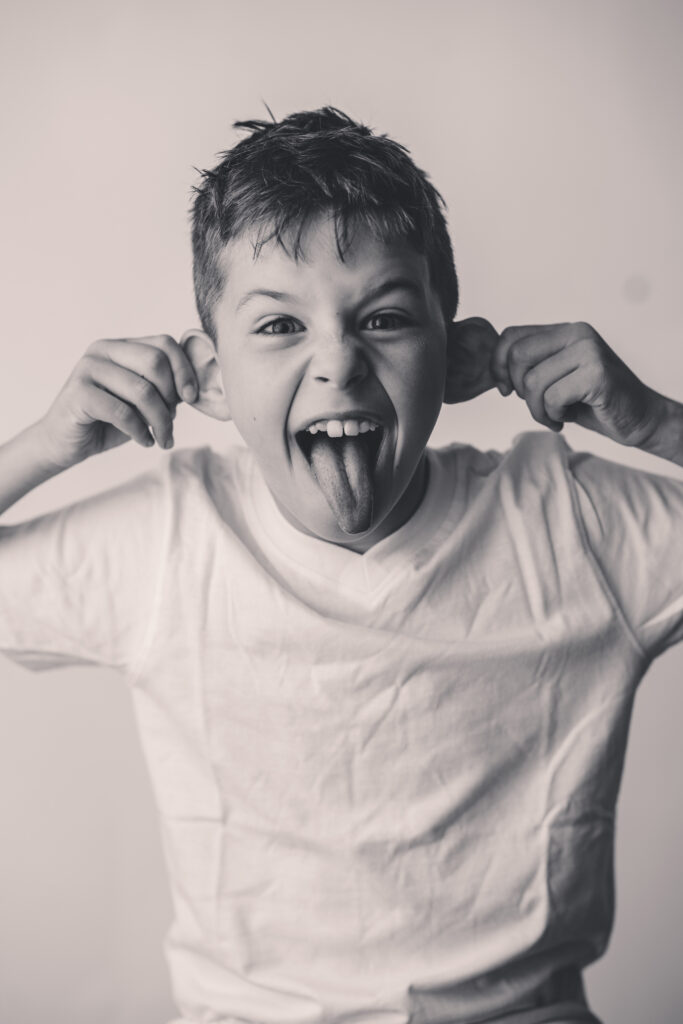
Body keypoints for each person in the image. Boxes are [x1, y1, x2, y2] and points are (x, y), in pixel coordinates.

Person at [1, 107, 681, 1024]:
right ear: (210, 377)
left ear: (456, 356)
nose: (338, 364)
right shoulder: (170, 538)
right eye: (278, 324)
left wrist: (655, 423)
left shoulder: (568, 520)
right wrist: (42, 446)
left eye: (385, 318)